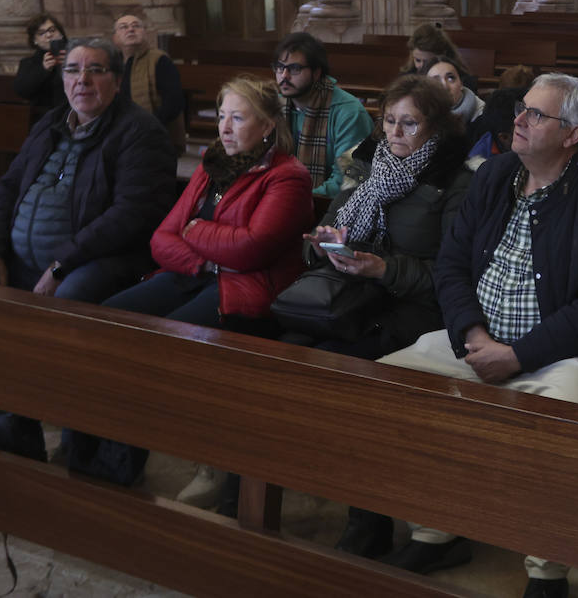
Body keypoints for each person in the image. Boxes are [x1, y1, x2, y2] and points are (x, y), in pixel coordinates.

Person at [377, 74, 578, 598]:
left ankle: (547, 571)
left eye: (535, 115)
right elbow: (451, 264)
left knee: (560, 420)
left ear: (573, 134)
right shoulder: (496, 174)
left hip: (564, 354)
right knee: (388, 383)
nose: (517, 121)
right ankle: (435, 531)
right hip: (478, 340)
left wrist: (517, 356)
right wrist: (473, 334)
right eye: (521, 109)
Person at [0, 38, 177, 450]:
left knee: (65, 303)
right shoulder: (50, 124)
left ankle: (19, 416)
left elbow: (131, 215)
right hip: (19, 259)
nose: (83, 80)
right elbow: (7, 191)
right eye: (73, 70)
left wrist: (61, 265)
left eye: (95, 70)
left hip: (93, 263)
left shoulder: (140, 132)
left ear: (116, 79)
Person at [295, 74, 473, 558]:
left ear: (434, 128)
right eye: (389, 121)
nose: (394, 133)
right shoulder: (369, 170)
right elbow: (326, 231)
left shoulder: (455, 182)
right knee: (281, 359)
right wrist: (324, 246)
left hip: (418, 313)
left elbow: (455, 277)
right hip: (357, 298)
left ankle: (367, 521)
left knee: (342, 372)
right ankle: (258, 491)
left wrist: (384, 268)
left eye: (408, 124)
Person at [102, 73, 312, 330]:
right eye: (222, 116)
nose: (224, 128)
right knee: (109, 316)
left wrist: (194, 229)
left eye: (237, 118)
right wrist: (205, 262)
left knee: (166, 335)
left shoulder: (287, 176)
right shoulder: (212, 166)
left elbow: (251, 248)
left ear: (267, 126)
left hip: (246, 288)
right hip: (193, 273)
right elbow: (161, 239)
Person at [274, 32, 375, 198]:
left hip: (333, 211)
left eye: (294, 68)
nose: (284, 76)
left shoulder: (349, 113)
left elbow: (349, 179)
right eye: (279, 67)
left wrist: (296, 200)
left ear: (316, 72)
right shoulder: (274, 107)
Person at [112, 10, 186, 153]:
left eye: (136, 26)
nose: (131, 29)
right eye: (124, 27)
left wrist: (148, 127)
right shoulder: (113, 64)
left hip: (155, 136)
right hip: (122, 135)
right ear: (115, 38)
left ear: (144, 33)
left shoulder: (159, 60)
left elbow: (174, 102)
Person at [13, 12, 68, 116]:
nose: (49, 35)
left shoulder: (76, 54)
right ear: (34, 40)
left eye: (52, 30)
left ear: (61, 33)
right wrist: (43, 70)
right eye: (41, 33)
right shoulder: (29, 63)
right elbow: (22, 91)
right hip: (46, 118)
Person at [427, 55, 484, 130]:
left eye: (451, 78)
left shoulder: (482, 114)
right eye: (435, 81)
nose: (445, 87)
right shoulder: (416, 112)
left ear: (461, 83)